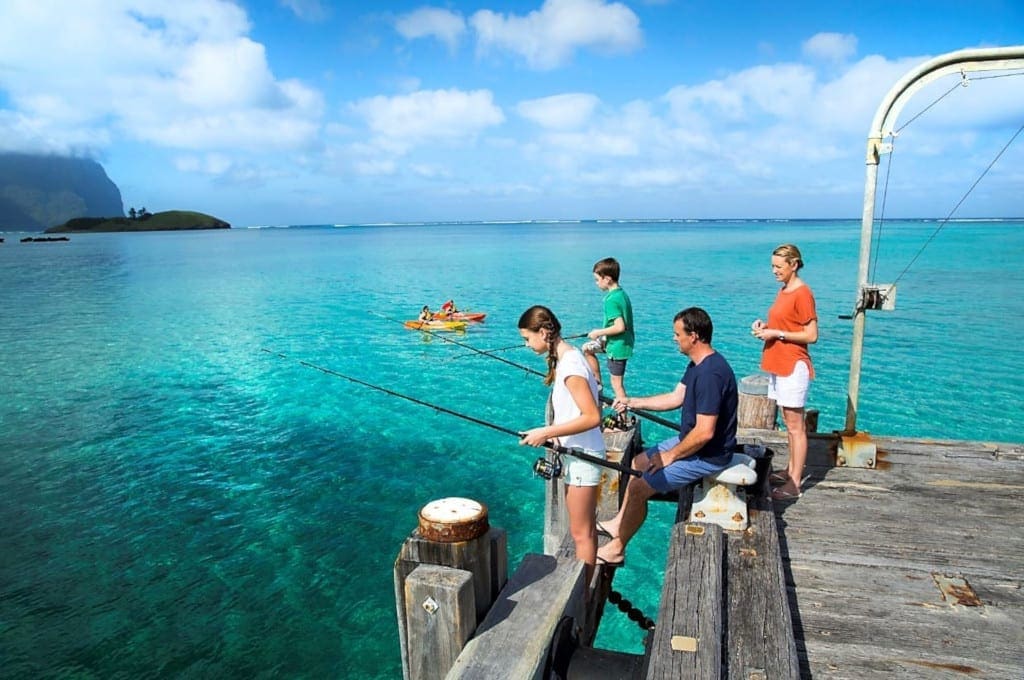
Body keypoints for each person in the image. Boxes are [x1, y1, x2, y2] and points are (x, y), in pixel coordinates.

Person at [596, 307, 737, 568]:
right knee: (638, 463)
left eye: (677, 334)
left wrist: (670, 456)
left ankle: (617, 549)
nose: (674, 338)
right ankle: (618, 523)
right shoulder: (698, 364)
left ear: (693, 336)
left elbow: (705, 432)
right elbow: (676, 398)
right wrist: (632, 401)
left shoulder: (710, 375)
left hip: (709, 455)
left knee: (639, 487)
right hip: (693, 443)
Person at [518, 305, 606, 584]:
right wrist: (556, 436)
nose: (526, 344)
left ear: (543, 333)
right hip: (580, 454)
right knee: (585, 529)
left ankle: (584, 593)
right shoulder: (572, 358)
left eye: (527, 338)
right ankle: (585, 587)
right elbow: (576, 412)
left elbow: (592, 416)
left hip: (583, 458)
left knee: (581, 533)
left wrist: (546, 432)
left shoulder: (569, 365)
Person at [751, 243, 818, 501]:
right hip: (779, 363)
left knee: (795, 426)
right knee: (789, 424)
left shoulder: (803, 293)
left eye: (779, 266)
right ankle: (790, 470)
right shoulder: (784, 291)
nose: (774, 271)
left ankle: (795, 483)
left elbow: (811, 335)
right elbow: (786, 324)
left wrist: (776, 333)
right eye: (772, 266)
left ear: (794, 264)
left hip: (793, 365)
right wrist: (766, 327)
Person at [582, 257, 634, 402]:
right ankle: (597, 386)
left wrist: (598, 332)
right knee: (587, 349)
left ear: (608, 279)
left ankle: (622, 417)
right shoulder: (621, 294)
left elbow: (620, 327)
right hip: (617, 343)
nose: (596, 283)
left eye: (597, 280)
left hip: (617, 348)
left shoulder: (611, 300)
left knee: (617, 386)